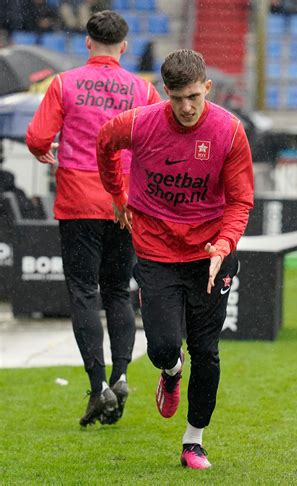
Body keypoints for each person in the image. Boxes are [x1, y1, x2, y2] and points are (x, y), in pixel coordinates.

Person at [96, 49, 254, 469]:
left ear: (207, 88)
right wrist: (117, 193)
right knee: (164, 346)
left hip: (210, 255)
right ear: (164, 92)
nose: (186, 107)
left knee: (207, 350)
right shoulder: (139, 123)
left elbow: (240, 200)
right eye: (177, 97)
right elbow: (104, 142)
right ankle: (170, 372)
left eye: (193, 97)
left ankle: (194, 440)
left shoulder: (230, 131)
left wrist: (224, 244)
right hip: (157, 250)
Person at [26, 10, 161, 427]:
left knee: (84, 291)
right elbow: (157, 141)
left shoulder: (65, 83)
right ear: (124, 46)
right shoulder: (143, 89)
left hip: (78, 199)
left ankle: (97, 383)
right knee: (118, 291)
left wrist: (41, 151)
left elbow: (36, 136)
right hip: (123, 203)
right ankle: (121, 375)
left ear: (87, 42)